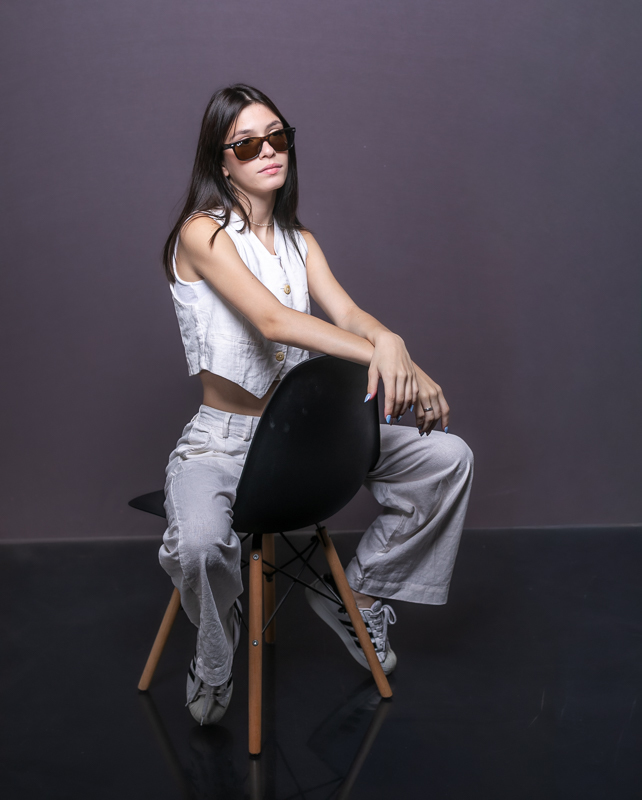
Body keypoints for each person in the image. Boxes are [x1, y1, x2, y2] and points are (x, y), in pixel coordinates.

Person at [159, 84, 474, 726]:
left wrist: (390, 342)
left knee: (448, 459)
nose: (267, 151)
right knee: (200, 548)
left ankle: (358, 593)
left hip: (306, 444)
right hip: (224, 442)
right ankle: (215, 653)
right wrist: (388, 353)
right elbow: (273, 320)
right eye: (247, 144)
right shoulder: (201, 232)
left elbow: (349, 314)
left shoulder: (300, 241)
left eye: (277, 136)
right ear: (222, 162)